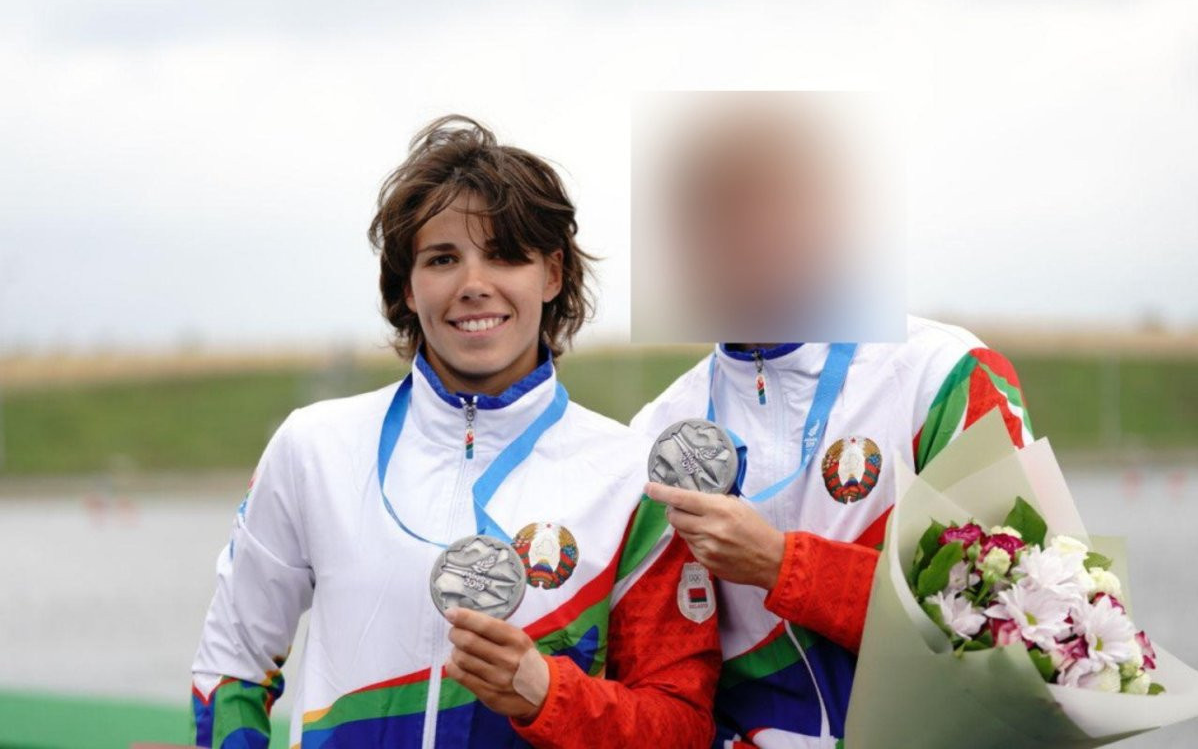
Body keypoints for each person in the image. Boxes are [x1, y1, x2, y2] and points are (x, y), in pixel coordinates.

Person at [190, 115, 721, 748]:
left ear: (552, 275)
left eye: (504, 255)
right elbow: (232, 663)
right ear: (408, 288)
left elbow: (682, 725)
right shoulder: (314, 447)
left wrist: (548, 694)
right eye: (443, 259)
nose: (473, 285)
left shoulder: (633, 480)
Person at [630, 99, 1033, 748]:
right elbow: (666, 689)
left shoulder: (945, 376)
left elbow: (1013, 628)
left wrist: (782, 566)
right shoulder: (655, 431)